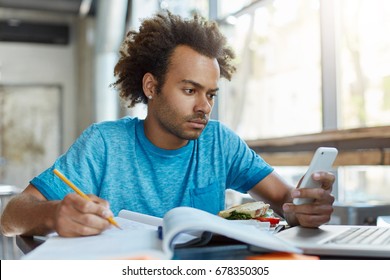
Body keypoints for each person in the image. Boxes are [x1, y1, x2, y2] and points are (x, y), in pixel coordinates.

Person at [0, 11, 334, 238]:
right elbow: (11, 216)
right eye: (190, 90)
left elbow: (285, 200)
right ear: (151, 87)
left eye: (211, 94)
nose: (204, 106)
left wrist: (303, 209)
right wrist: (52, 214)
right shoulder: (104, 143)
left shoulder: (220, 142)